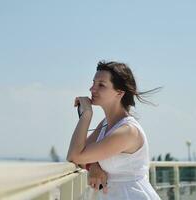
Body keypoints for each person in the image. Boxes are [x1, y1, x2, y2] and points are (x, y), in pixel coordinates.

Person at [66, 61, 161, 199]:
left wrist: (86, 115)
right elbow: (79, 155)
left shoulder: (127, 131)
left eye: (101, 85)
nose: (92, 89)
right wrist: (92, 165)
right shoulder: (105, 124)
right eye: (93, 83)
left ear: (119, 93)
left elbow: (75, 155)